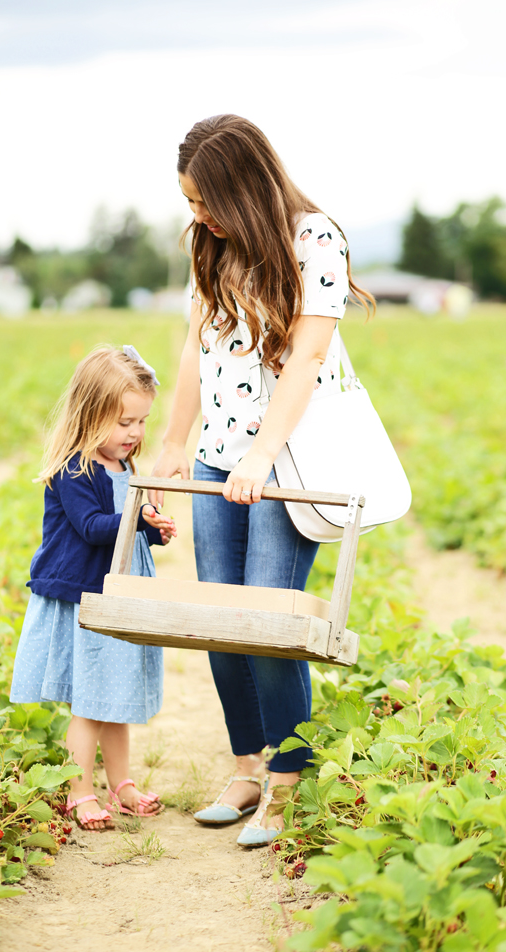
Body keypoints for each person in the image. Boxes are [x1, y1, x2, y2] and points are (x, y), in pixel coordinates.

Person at [151, 115, 373, 847]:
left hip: (289, 464)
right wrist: (177, 443)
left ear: (241, 188)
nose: (199, 216)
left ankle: (288, 781)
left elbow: (307, 360)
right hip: (219, 456)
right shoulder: (211, 248)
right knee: (223, 620)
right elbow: (195, 348)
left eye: (204, 201)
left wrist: (259, 457)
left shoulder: (315, 240)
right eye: (189, 204)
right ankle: (246, 765)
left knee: (269, 625)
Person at [10, 345, 177, 830]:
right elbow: (91, 527)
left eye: (142, 422)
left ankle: (120, 784)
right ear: (90, 414)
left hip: (119, 594)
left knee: (116, 694)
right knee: (89, 700)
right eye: (124, 422)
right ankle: (79, 790)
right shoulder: (75, 468)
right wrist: (135, 518)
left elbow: (123, 526)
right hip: (85, 596)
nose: (135, 433)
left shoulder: (126, 467)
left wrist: (151, 529)